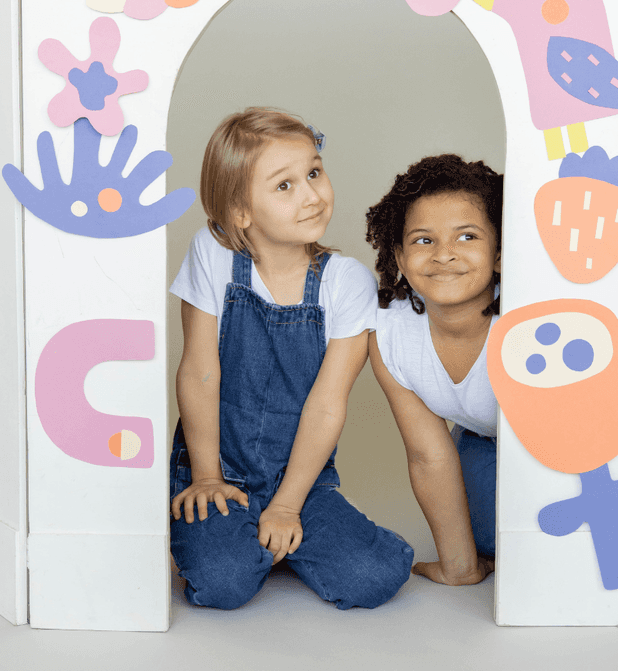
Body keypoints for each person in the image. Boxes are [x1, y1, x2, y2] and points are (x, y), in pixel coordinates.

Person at [169, 107, 413, 610]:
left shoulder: (347, 282)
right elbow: (199, 371)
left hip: (303, 478)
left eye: (315, 172)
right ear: (240, 212)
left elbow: (327, 404)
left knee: (374, 577)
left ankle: (276, 531)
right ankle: (240, 537)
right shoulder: (212, 255)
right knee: (222, 582)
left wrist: (286, 504)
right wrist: (206, 476)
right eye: (284, 186)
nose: (311, 194)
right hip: (218, 467)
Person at [365, 154, 502, 587]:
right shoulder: (391, 334)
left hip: (554, 443)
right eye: (424, 240)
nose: (445, 254)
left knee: (544, 533)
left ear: (499, 254)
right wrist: (459, 568)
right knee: (486, 537)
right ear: (400, 260)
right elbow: (429, 454)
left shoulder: (527, 321)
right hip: (483, 437)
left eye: (467, 236)